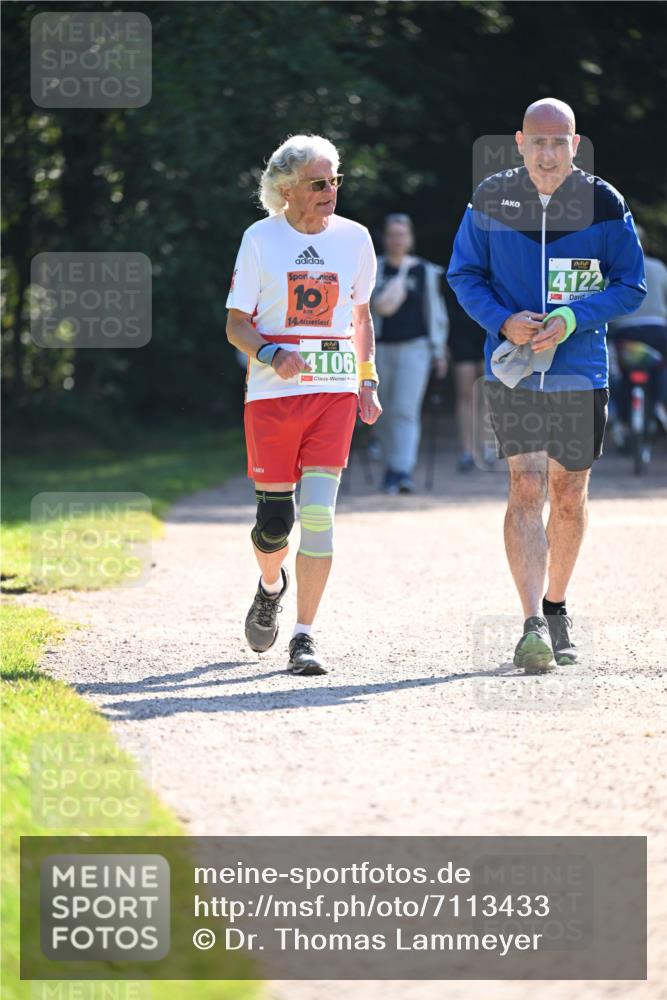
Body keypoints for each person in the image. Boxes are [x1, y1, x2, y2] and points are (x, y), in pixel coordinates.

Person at [448, 98, 646, 673]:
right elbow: (464, 273)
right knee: (526, 487)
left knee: (568, 495)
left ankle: (558, 606)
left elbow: (631, 284)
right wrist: (502, 319)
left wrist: (573, 318)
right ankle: (532, 620)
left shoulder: (604, 202)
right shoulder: (490, 198)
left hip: (580, 370)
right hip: (514, 367)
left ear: (576, 146)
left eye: (560, 142)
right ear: (519, 142)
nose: (548, 152)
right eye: (539, 141)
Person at [226, 134, 381, 676]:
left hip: (333, 392)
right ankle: (272, 585)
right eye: (319, 183)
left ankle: (304, 635)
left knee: (317, 514)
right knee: (274, 524)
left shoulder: (356, 239)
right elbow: (235, 325)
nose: (330, 191)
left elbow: (360, 317)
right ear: (286, 188)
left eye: (335, 180)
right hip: (272, 395)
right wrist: (271, 350)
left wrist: (367, 379)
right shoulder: (260, 239)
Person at [370, 214, 448, 494]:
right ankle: (392, 464)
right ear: (385, 237)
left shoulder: (424, 270)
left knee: (405, 410)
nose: (397, 240)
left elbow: (435, 312)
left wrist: (439, 350)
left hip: (416, 349)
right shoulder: (373, 268)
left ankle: (401, 470)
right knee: (382, 412)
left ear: (410, 239)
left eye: (402, 234)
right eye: (392, 234)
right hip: (378, 348)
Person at [607, 225, 667, 436]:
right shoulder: (658, 267)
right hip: (658, 329)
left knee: (622, 375)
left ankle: (621, 419)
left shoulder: (613, 268)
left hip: (626, 331)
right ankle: (661, 403)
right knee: (660, 365)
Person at [445, 284, 487, 471]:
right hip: (460, 337)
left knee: (487, 394)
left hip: (489, 335)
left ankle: (486, 447)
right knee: (465, 395)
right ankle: (467, 451)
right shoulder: (453, 276)